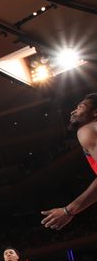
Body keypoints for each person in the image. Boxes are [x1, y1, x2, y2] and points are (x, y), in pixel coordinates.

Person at [42, 93, 97, 229]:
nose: (73, 111)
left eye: (80, 107)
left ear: (95, 112)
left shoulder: (87, 129)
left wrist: (68, 210)